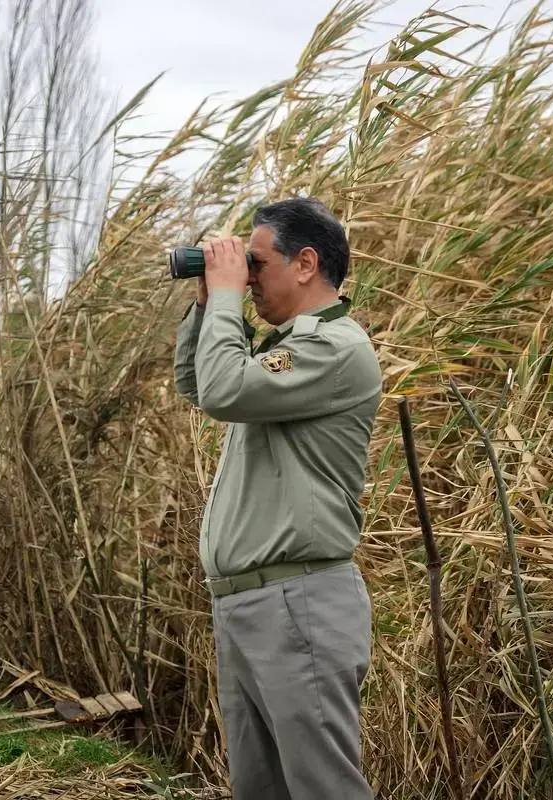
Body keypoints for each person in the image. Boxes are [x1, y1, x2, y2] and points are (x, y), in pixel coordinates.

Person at [172, 197, 382, 799]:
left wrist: (230, 294)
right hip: (250, 605)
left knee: (323, 790)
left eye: (257, 263)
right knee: (261, 791)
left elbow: (221, 388)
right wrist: (212, 302)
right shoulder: (282, 346)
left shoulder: (333, 348)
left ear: (306, 263)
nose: (250, 277)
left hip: (298, 603)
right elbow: (196, 382)